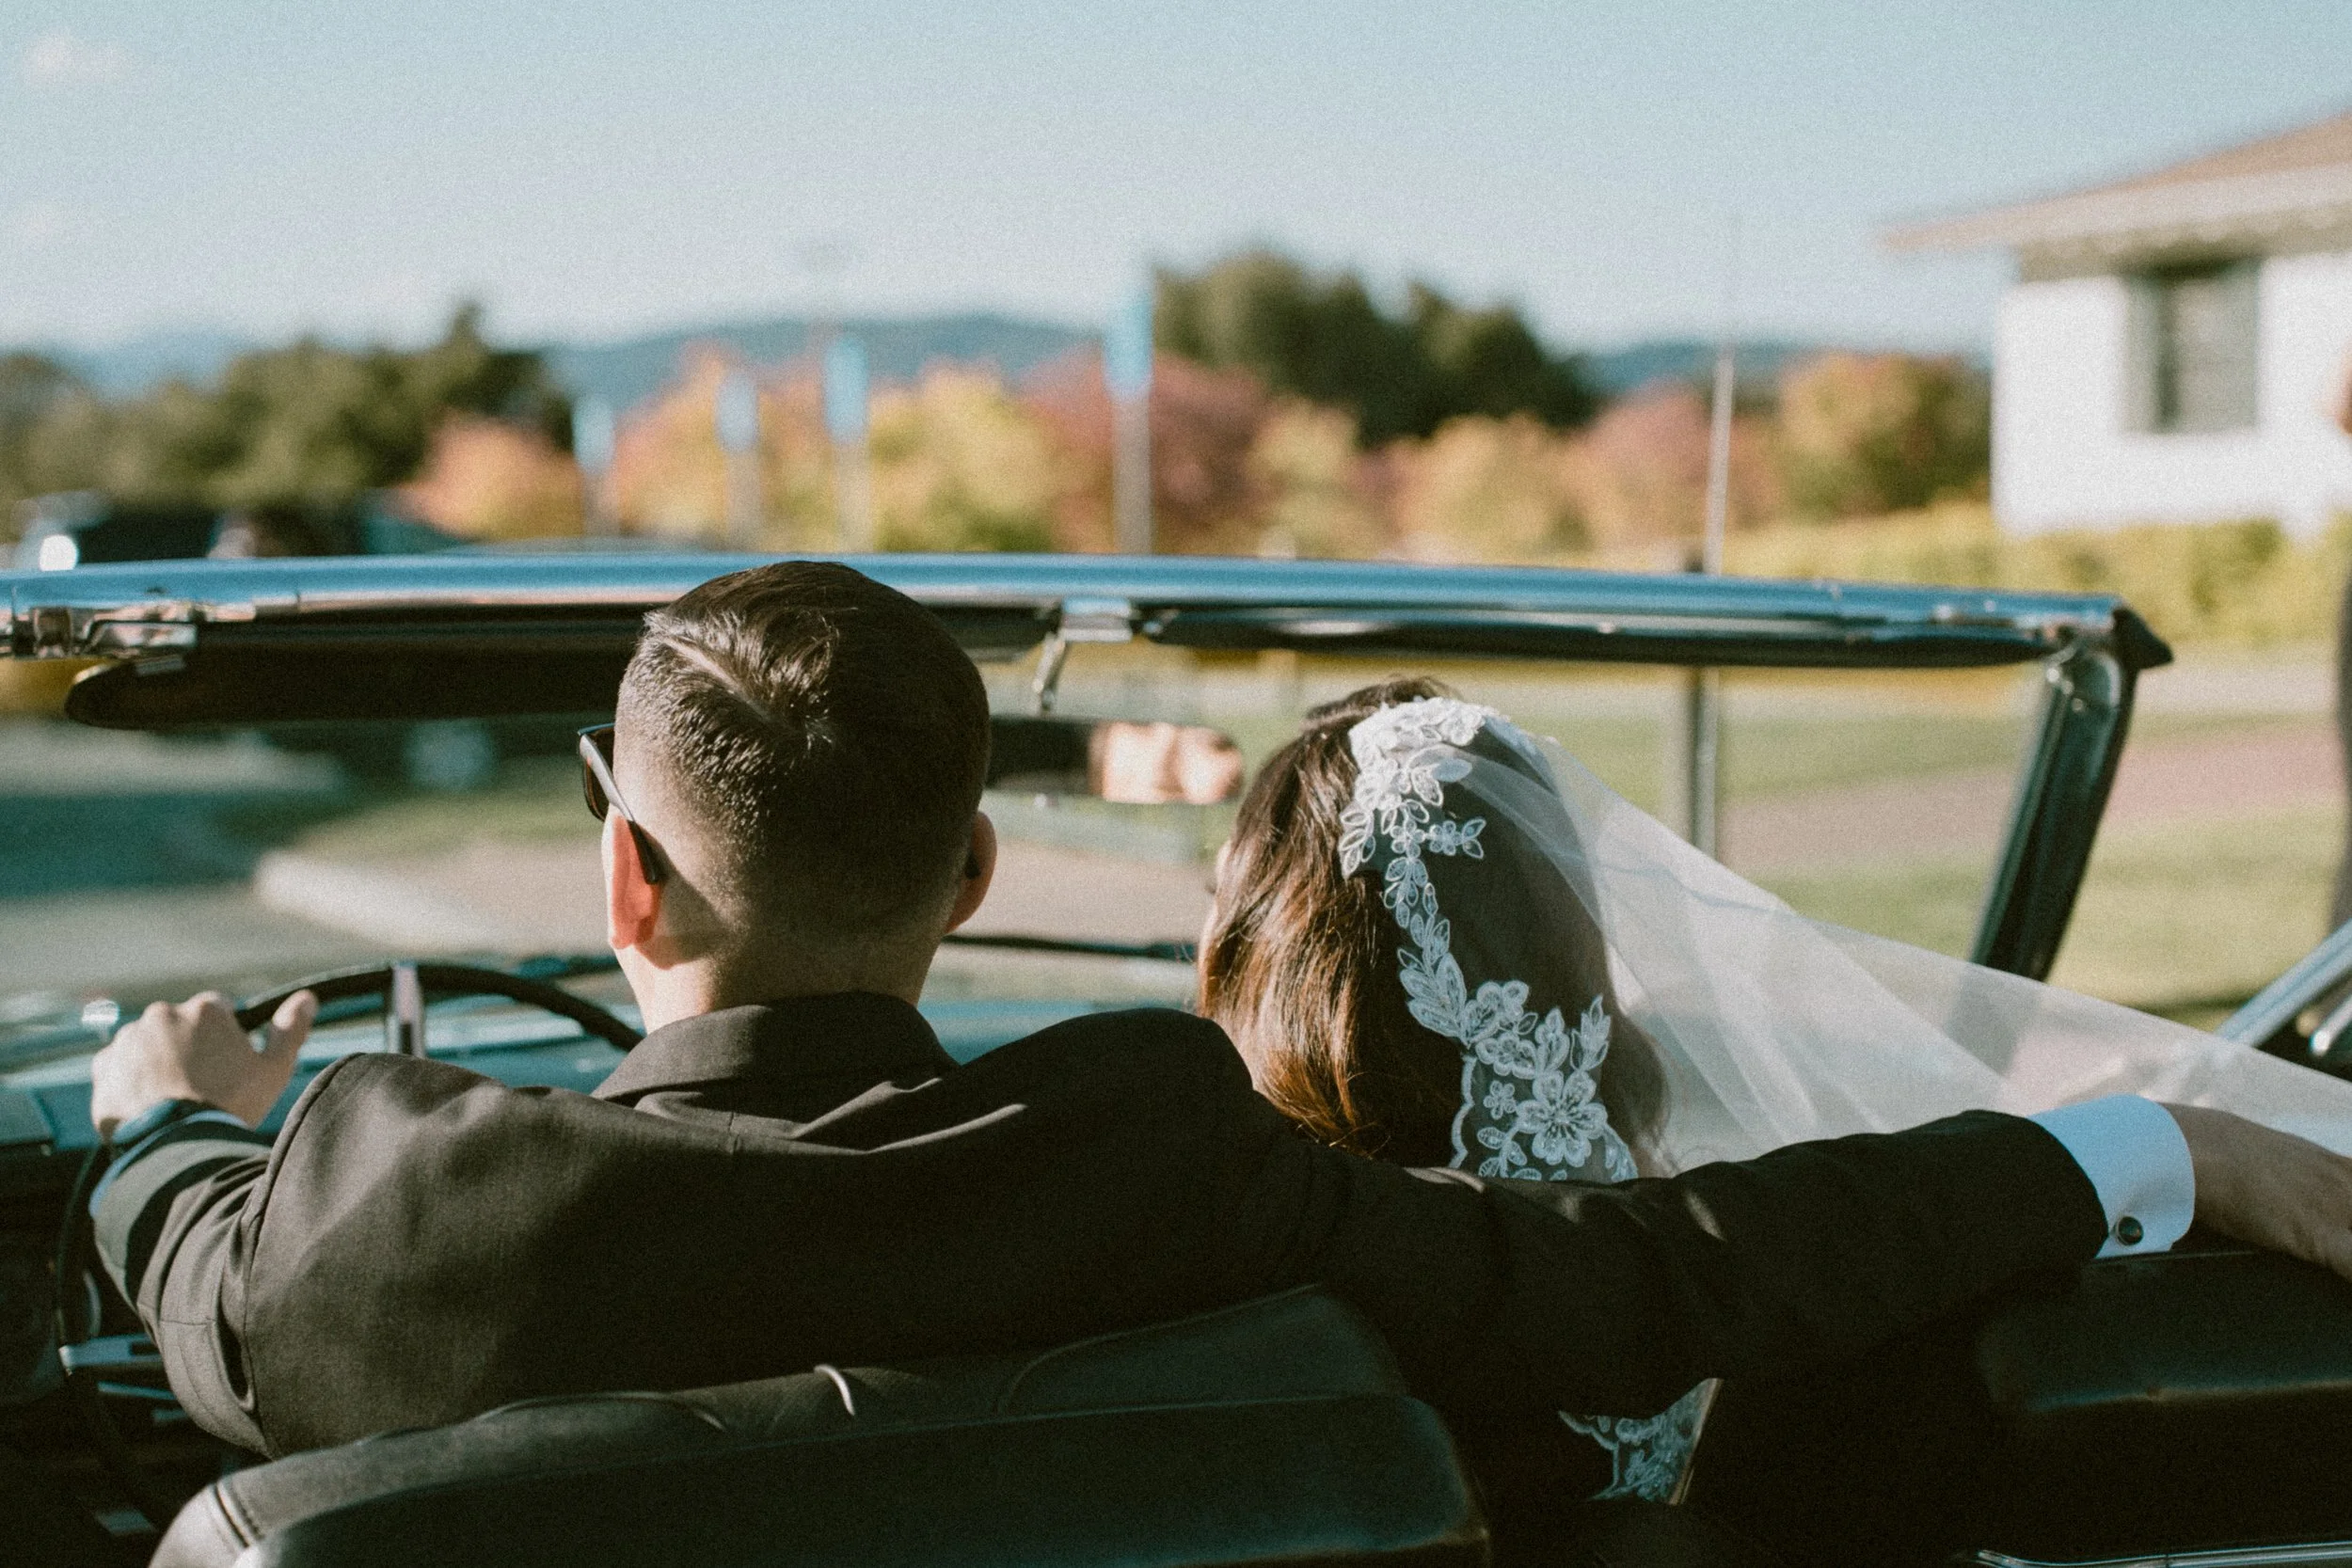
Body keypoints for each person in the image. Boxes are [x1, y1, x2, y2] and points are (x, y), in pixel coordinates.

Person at [87, 563, 2352, 1564]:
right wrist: (2139, 1149)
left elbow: (195, 1263)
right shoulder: (1163, 1150)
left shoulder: (378, 1201)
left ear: (626, 885)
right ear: (974, 869)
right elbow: (1664, 1267)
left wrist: (159, 1108)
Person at [1199, 675, 2352, 1553]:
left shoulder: (1233, 1249)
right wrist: (2155, 1143)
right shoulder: (1761, 1327)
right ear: (1566, 948)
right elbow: (1698, 1260)